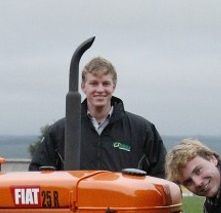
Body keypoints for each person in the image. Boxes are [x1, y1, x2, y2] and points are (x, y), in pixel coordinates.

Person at [29, 56, 166, 178]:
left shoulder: (142, 130)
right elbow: (37, 177)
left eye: (105, 83)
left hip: (125, 206)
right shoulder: (60, 132)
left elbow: (163, 176)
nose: (100, 90)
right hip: (77, 206)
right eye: (94, 83)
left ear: (113, 86)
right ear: (83, 87)